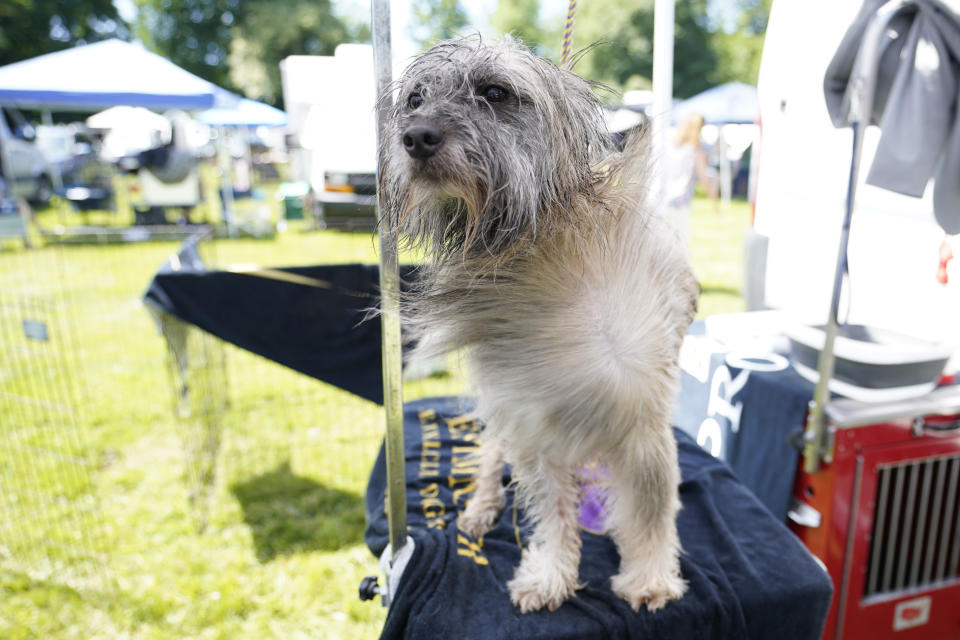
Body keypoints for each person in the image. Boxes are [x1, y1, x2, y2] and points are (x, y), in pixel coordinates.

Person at [664, 112, 714, 245]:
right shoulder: (695, 151)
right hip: (681, 201)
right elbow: (704, 176)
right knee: (680, 242)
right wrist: (713, 198)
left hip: (662, 197)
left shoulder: (667, 145)